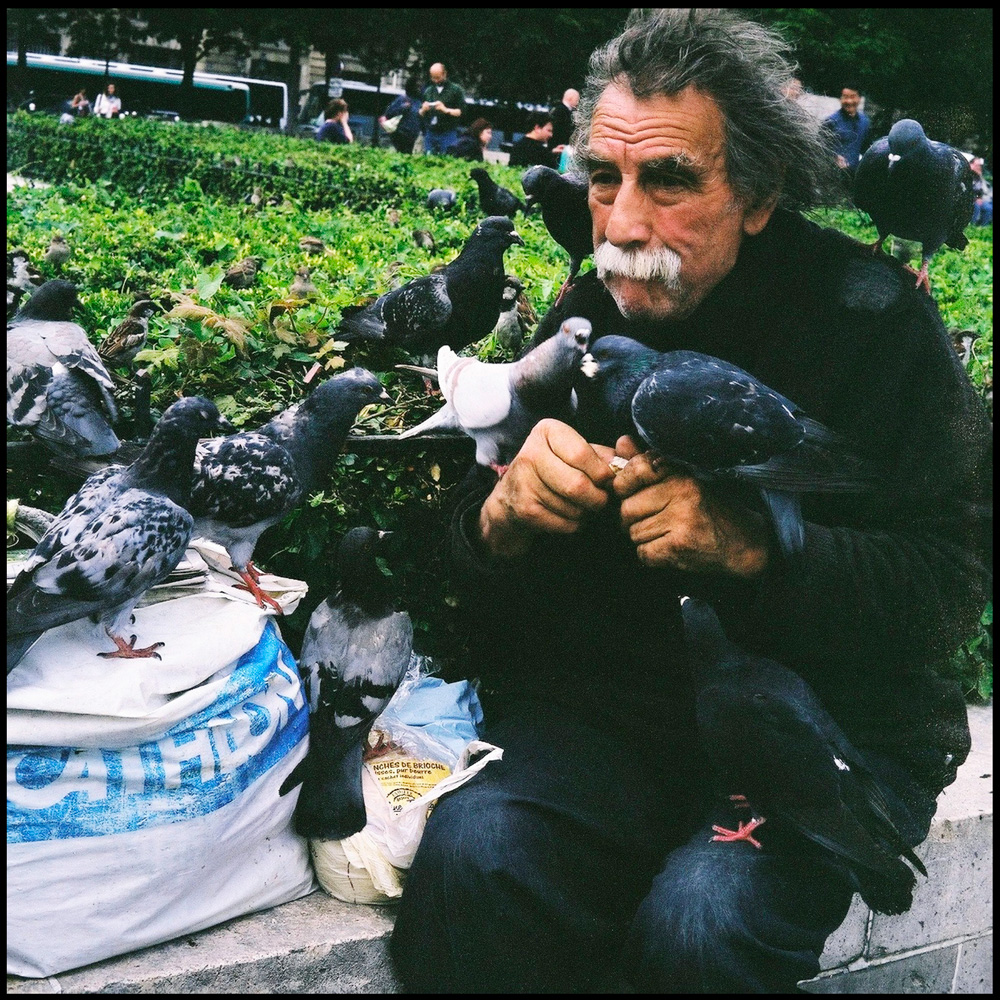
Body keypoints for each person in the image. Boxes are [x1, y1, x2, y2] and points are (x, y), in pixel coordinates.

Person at [389, 8, 991, 994]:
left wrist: (759, 550)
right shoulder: (590, 311)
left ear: (756, 195)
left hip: (822, 737)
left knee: (701, 920)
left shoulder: (878, 325)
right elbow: (465, 560)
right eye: (603, 179)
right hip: (607, 721)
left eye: (669, 180)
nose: (623, 223)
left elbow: (950, 586)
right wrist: (496, 520)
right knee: (474, 855)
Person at [824, 85, 872, 177]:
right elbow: (820, 147)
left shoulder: (864, 122)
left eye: (853, 97)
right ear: (840, 99)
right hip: (833, 176)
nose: (849, 101)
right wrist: (834, 157)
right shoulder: (831, 121)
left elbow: (866, 149)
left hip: (854, 176)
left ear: (859, 99)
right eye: (845, 97)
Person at [419, 62, 465, 155]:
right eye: (433, 77)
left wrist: (445, 110)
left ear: (445, 74)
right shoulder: (428, 91)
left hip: (448, 132)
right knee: (428, 158)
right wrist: (423, 109)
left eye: (438, 77)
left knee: (447, 157)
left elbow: (461, 111)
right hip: (431, 131)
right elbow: (420, 112)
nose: (435, 80)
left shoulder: (456, 90)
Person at [379, 84, 422, 154]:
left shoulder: (419, 102)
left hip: (412, 134)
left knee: (407, 153)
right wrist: (403, 107)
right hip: (400, 132)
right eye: (417, 87)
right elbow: (389, 113)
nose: (419, 89)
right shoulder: (402, 99)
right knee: (401, 152)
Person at [969, 156, 993, 226]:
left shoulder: (977, 176)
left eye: (980, 165)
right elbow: (968, 189)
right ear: (971, 165)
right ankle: (971, 226)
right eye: (977, 165)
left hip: (976, 199)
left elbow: (979, 189)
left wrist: (979, 197)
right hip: (968, 199)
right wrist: (975, 198)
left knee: (988, 207)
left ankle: (983, 227)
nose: (979, 167)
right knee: (976, 206)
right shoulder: (967, 174)